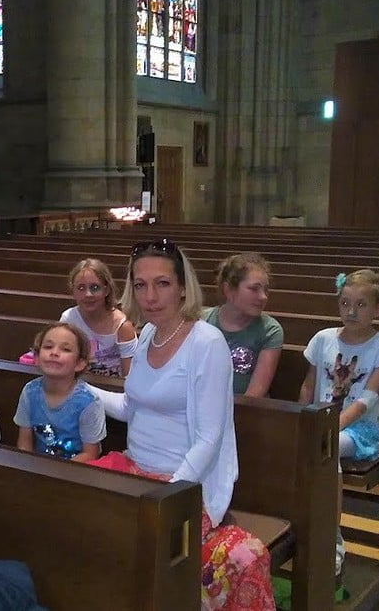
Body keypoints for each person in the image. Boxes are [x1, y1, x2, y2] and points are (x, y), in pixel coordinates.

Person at [88, 240, 274, 610]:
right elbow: (130, 407)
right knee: (84, 524)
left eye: (162, 284)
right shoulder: (146, 336)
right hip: (136, 470)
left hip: (185, 483)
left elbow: (209, 438)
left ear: (183, 288)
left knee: (214, 555)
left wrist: (168, 498)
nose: (150, 296)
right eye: (140, 285)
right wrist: (82, 390)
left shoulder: (207, 342)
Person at [299, 269, 379, 578]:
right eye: (345, 303)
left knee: (326, 451)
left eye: (361, 304)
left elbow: (367, 400)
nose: (351, 311)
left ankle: (332, 543)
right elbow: (308, 386)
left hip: (359, 431)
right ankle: (301, 531)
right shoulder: (323, 339)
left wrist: (328, 427)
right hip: (320, 424)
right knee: (310, 447)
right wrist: (301, 418)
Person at [14, 322, 105, 463]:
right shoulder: (29, 392)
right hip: (37, 467)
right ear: (36, 357)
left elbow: (90, 454)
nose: (54, 353)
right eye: (48, 347)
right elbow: (24, 444)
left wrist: (56, 471)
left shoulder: (89, 402)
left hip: (75, 470)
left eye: (66, 349)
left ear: (80, 363)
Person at [203, 253, 283, 397]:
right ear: (228, 290)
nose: (263, 296)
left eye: (265, 289)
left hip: (245, 408)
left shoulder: (269, 330)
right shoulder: (201, 321)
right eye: (254, 289)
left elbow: (255, 394)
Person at [59, 258, 136, 377]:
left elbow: (130, 376)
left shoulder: (122, 326)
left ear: (106, 290)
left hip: (113, 385)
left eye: (95, 288)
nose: (88, 294)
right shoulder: (69, 320)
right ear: (73, 291)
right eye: (81, 288)